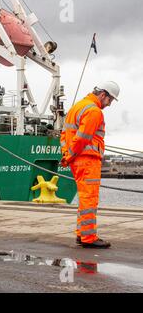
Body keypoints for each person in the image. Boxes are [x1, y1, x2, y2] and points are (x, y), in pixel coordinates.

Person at [60, 81, 120, 249]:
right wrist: (71, 155)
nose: (109, 105)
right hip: (87, 160)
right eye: (110, 101)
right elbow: (82, 138)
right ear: (103, 95)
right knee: (89, 199)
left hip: (78, 161)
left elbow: (64, 135)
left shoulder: (76, 107)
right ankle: (88, 237)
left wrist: (67, 155)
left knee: (84, 198)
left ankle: (82, 233)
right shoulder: (93, 111)